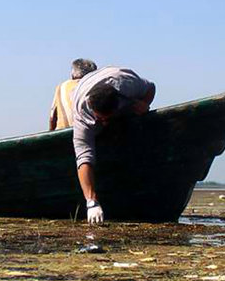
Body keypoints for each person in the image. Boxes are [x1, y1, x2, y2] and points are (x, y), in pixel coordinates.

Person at [71, 66, 156, 224]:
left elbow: (151, 87)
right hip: (83, 89)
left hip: (114, 80)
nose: (104, 123)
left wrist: (144, 103)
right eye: (100, 119)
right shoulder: (82, 116)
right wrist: (91, 201)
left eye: (107, 119)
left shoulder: (127, 84)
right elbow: (84, 158)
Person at [49, 58, 97, 131]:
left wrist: (51, 136)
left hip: (63, 135)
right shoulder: (94, 86)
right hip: (88, 133)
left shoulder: (62, 87)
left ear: (73, 74)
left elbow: (52, 118)